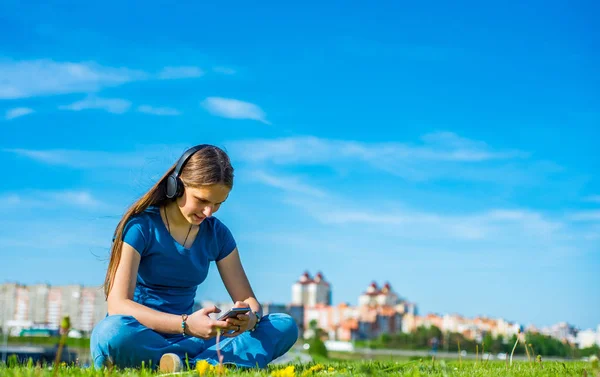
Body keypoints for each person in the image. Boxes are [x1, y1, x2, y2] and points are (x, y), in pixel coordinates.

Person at [90, 144, 298, 372]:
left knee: (283, 325)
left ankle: (181, 365)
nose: (209, 212)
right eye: (202, 200)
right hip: (143, 335)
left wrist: (251, 318)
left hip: (194, 340)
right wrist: (185, 324)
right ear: (176, 186)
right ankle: (207, 363)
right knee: (111, 333)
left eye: (218, 203)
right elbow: (118, 304)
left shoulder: (217, 234)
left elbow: (248, 299)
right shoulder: (140, 227)